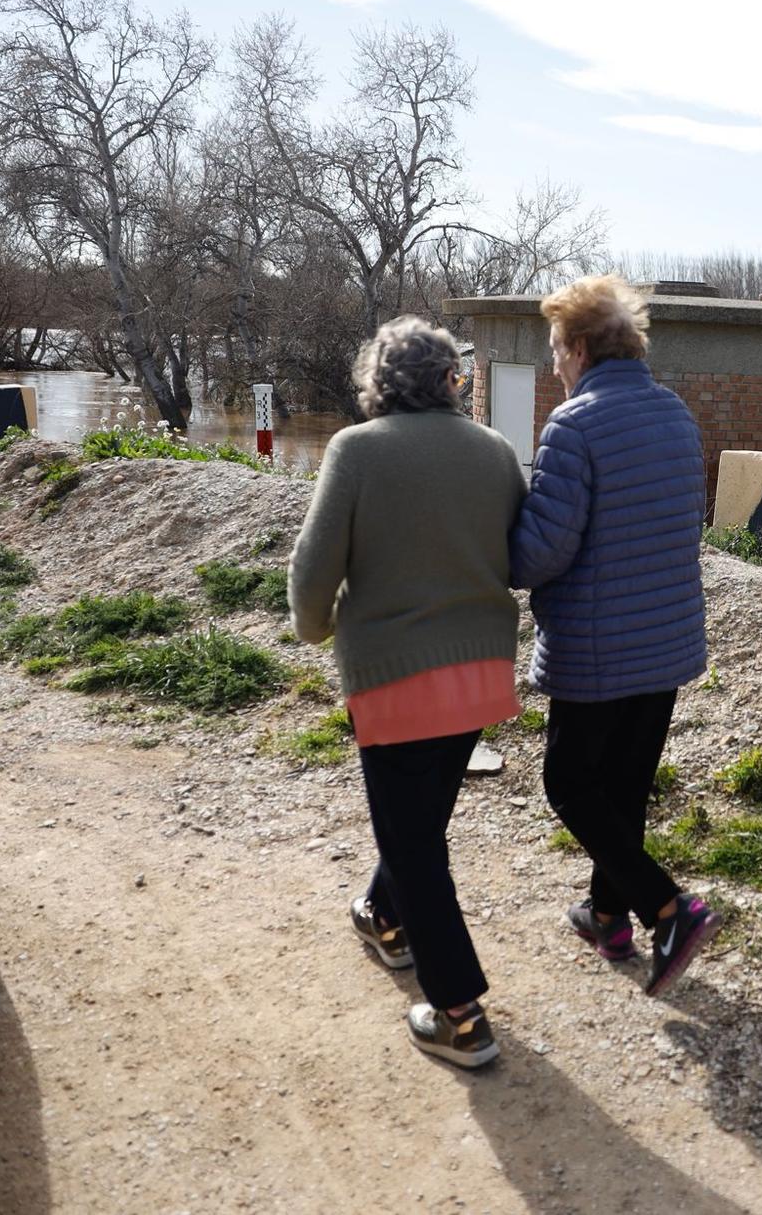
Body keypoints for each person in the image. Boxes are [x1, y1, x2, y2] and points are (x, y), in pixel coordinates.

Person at [289, 317, 525, 1069]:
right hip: (481, 674)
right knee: (420, 821)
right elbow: (516, 555)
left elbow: (313, 567)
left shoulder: (356, 450)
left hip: (393, 676)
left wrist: (315, 627)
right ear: (452, 378)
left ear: (380, 380)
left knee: (413, 841)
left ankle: (460, 1013)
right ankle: (384, 918)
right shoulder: (495, 452)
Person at [511, 274, 722, 998]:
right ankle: (608, 915)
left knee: (569, 782)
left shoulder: (574, 426)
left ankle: (670, 909)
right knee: (623, 788)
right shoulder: (676, 415)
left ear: (578, 348)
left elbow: (543, 550)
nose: (553, 366)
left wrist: (494, 551)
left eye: (554, 350)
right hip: (664, 641)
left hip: (596, 645)